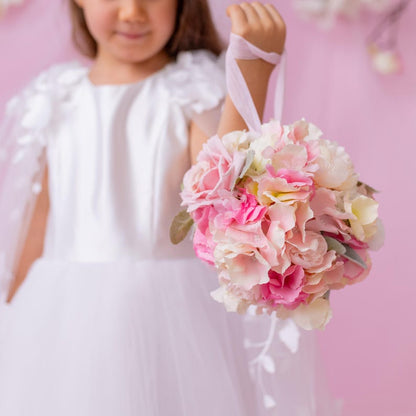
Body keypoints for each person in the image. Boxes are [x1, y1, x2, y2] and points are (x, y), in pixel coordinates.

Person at [0, 0, 343, 414]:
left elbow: (224, 195)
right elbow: (38, 221)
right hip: (59, 317)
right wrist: (13, 315)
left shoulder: (190, 88)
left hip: (167, 318)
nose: (132, 12)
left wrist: (249, 76)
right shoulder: (55, 95)